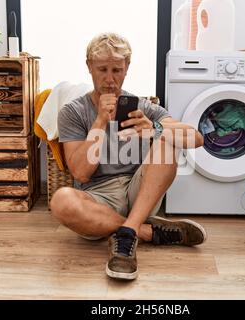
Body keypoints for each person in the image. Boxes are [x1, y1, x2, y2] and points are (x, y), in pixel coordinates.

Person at [50, 32, 206, 280]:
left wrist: (155, 129)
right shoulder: (73, 112)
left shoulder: (142, 108)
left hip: (139, 193)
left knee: (168, 139)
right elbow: (80, 173)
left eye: (117, 70)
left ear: (127, 68)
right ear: (89, 66)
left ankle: (127, 232)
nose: (110, 79)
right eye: (102, 69)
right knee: (61, 201)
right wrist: (100, 121)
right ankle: (144, 231)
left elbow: (197, 139)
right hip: (97, 199)